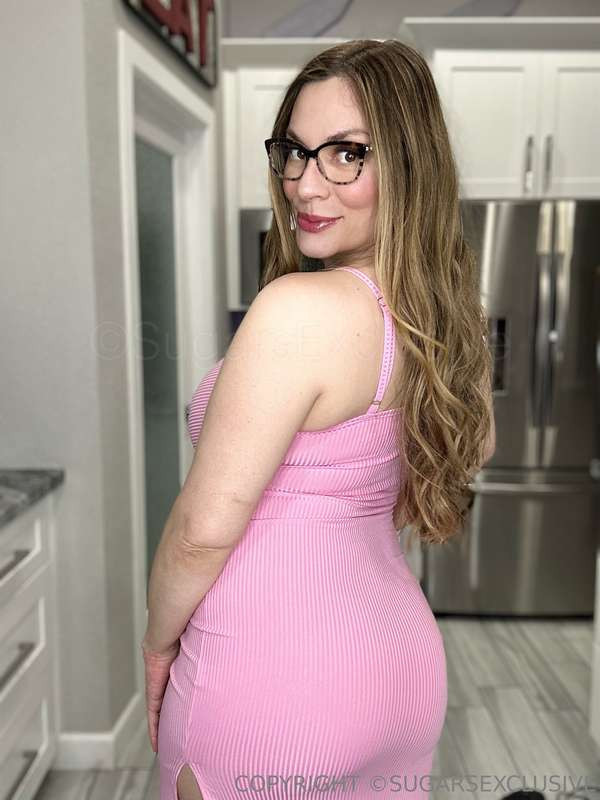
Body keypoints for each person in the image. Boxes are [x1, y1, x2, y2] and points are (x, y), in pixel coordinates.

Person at [142, 38, 496, 800]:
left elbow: (202, 530)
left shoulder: (297, 309)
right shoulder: (450, 316)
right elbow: (470, 449)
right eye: (295, 152)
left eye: (347, 154)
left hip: (269, 676)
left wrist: (156, 642)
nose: (306, 183)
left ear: (410, 164)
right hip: (399, 667)